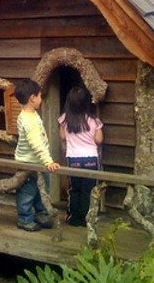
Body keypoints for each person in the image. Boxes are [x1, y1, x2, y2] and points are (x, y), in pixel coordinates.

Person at [14, 78, 61, 232]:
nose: (41, 99)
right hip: (28, 162)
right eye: (40, 96)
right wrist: (48, 161)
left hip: (37, 162)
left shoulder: (31, 115)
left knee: (43, 189)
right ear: (32, 98)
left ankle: (41, 213)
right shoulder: (29, 120)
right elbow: (37, 144)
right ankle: (25, 218)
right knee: (27, 191)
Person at [58, 86, 104, 226]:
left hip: (73, 159)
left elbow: (62, 136)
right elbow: (99, 140)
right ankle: (87, 219)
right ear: (87, 103)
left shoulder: (64, 119)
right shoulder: (94, 121)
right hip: (91, 159)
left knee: (74, 189)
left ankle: (73, 217)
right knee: (88, 191)